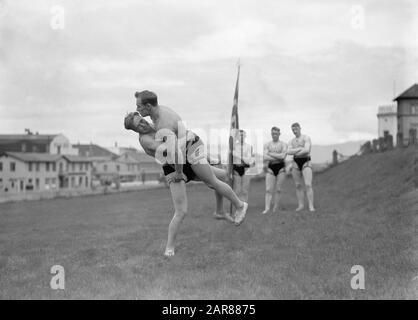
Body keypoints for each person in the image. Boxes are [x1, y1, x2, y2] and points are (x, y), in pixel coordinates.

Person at [127, 91, 248, 256]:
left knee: (216, 179)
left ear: (148, 107)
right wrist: (178, 172)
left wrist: (195, 156)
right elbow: (173, 152)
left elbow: (179, 143)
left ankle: (234, 207)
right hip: (175, 164)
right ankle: (169, 248)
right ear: (135, 130)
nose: (142, 121)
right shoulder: (148, 136)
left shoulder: (161, 122)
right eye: (138, 124)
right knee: (182, 210)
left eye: (140, 112)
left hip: (186, 155)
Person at [287, 122, 315, 212]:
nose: (294, 131)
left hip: (306, 161)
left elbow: (307, 150)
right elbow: (288, 152)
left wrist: (295, 151)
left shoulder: (306, 138)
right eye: (293, 130)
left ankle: (311, 205)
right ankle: (301, 205)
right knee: (298, 185)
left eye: (296, 129)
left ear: (300, 128)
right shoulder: (291, 141)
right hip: (295, 162)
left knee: (308, 184)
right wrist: (299, 149)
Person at [262, 127, 288, 214]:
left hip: (281, 167)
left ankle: (275, 207)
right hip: (271, 167)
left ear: (279, 134)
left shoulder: (283, 144)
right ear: (271, 134)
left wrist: (270, 154)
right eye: (273, 133)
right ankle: (267, 208)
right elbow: (265, 157)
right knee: (268, 189)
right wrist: (277, 155)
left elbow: (283, 156)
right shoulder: (267, 144)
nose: (274, 135)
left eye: (276, 133)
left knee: (279, 189)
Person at [231, 129, 255, 209]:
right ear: (237, 137)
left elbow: (249, 160)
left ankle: (244, 207)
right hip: (236, 169)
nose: (241, 137)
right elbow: (232, 158)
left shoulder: (249, 147)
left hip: (246, 170)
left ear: (245, 136)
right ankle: (236, 206)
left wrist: (239, 156)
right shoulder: (234, 147)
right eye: (239, 135)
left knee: (245, 190)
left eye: (242, 135)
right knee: (236, 190)